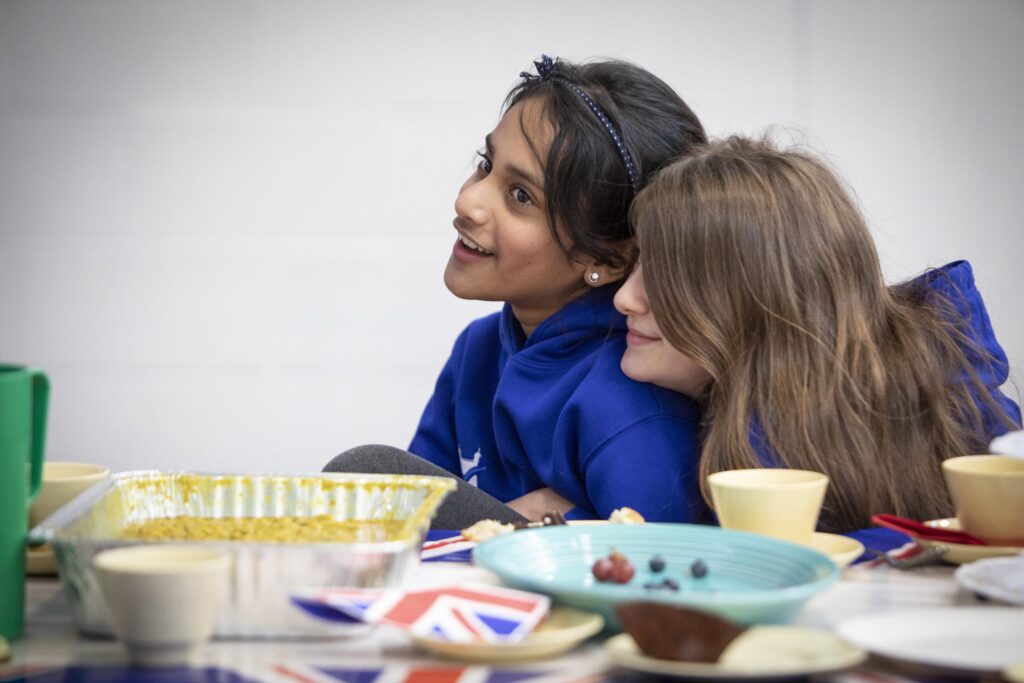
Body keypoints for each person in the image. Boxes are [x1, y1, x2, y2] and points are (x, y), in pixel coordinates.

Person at [325, 55, 709, 528]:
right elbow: (410, 541)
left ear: (608, 260)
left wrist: (549, 524)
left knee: (358, 476)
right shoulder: (479, 350)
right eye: (486, 165)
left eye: (521, 195)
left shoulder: (633, 410)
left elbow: (664, 577)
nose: (467, 200)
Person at [613, 135, 1021, 532]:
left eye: (665, 277)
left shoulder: (953, 401)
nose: (624, 299)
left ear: (755, 295)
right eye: (638, 265)